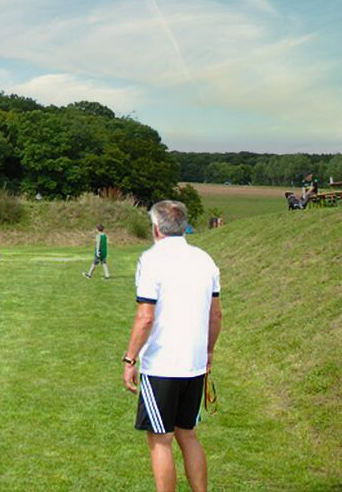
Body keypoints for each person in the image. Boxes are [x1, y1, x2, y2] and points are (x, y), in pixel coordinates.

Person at [122, 200, 222, 492]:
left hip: (163, 364)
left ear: (155, 228)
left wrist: (129, 360)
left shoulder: (151, 261)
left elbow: (145, 317)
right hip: (193, 363)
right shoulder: (205, 259)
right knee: (187, 434)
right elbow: (216, 314)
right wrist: (209, 351)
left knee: (160, 439)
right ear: (184, 226)